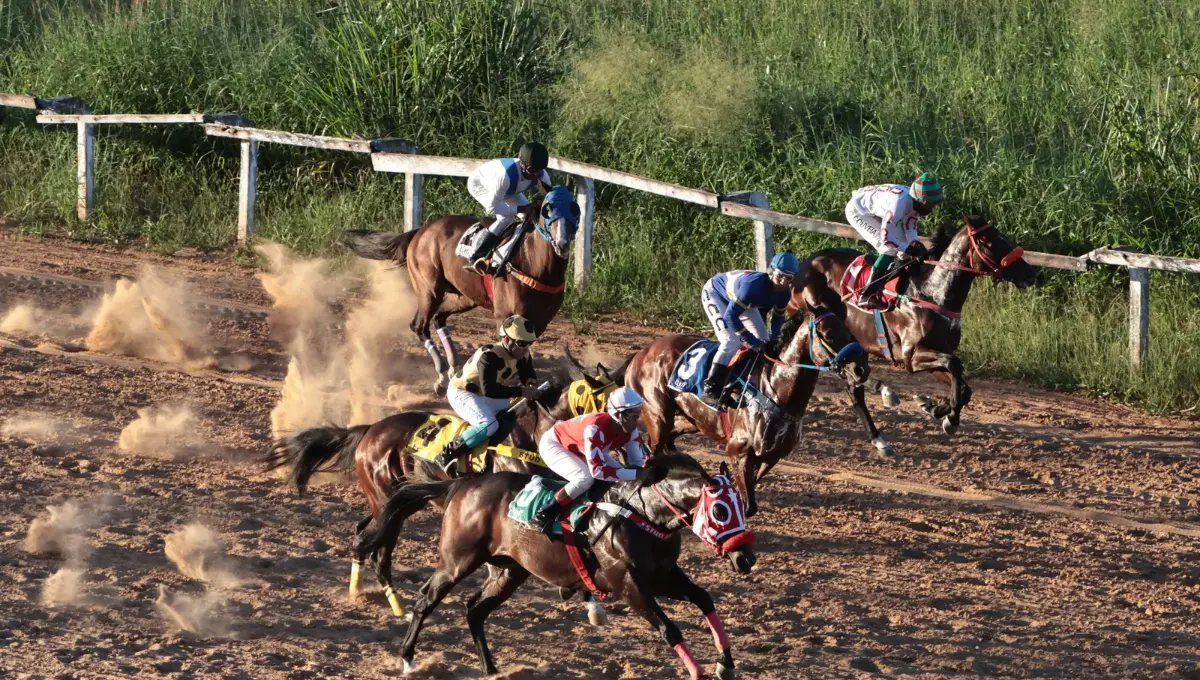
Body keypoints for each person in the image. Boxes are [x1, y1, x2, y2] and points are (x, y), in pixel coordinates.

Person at [434, 315, 541, 475]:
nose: (526, 348)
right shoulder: (489, 356)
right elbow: (490, 390)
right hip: (462, 393)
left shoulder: (523, 354)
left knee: (518, 406)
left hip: (483, 395)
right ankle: (447, 454)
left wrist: (530, 381)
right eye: (521, 343)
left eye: (529, 343)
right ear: (506, 339)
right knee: (488, 424)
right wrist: (522, 391)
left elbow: (527, 371)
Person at [533, 387, 650, 530]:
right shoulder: (594, 429)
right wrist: (636, 474)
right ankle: (545, 513)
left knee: (621, 474)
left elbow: (638, 462)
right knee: (584, 478)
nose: (637, 420)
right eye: (634, 416)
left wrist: (644, 470)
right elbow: (597, 471)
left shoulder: (630, 431)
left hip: (584, 446)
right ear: (620, 415)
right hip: (555, 444)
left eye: (638, 414)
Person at [699, 252, 800, 405]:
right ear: (772, 270)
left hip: (742, 301)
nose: (783, 282)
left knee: (764, 339)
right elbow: (730, 317)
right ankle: (711, 388)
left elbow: (778, 319)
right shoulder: (752, 287)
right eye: (780, 276)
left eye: (789, 278)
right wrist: (748, 339)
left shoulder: (784, 294)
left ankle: (742, 382)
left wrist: (774, 341)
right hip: (716, 293)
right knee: (731, 340)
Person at [844, 172, 944, 300]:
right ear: (922, 200)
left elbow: (910, 225)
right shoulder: (899, 204)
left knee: (904, 251)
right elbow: (887, 238)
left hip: (878, 210)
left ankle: (899, 287)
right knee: (889, 249)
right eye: (931, 204)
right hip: (858, 212)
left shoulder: (914, 200)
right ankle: (868, 294)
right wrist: (907, 248)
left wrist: (914, 242)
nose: (933, 208)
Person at [462, 142, 553, 274]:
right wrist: (521, 209)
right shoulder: (504, 177)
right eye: (533, 171)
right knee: (506, 218)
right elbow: (491, 209)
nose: (536, 175)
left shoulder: (540, 173)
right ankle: (476, 257)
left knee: (532, 219)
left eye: (539, 171)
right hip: (480, 184)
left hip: (510, 191)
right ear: (522, 165)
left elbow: (549, 196)